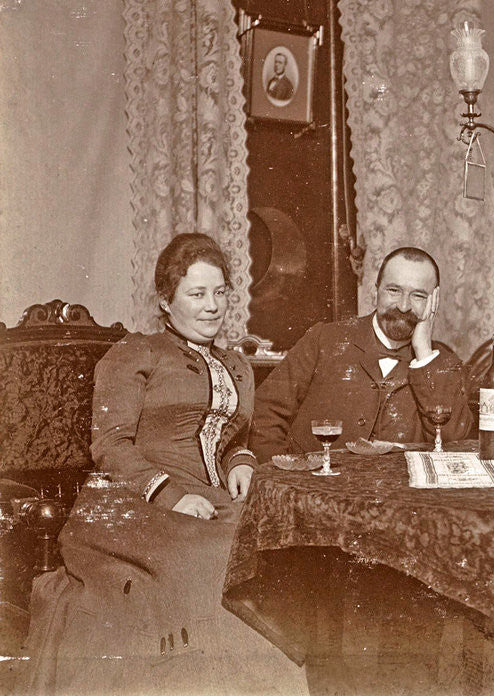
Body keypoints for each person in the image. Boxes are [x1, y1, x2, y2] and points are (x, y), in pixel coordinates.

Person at [22, 233, 306, 695]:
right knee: (215, 557)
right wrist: (173, 496)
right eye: (196, 294)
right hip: (132, 500)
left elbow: (235, 436)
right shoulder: (137, 353)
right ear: (165, 302)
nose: (212, 306)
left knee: (280, 548)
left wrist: (242, 462)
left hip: (213, 499)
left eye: (220, 293)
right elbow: (111, 445)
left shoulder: (237, 365)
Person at [251, 246, 473, 459]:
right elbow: (265, 413)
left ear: (434, 301)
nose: (404, 306)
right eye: (394, 291)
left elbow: (453, 445)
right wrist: (282, 478)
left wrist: (423, 352)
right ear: (375, 290)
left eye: (418, 296)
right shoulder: (324, 340)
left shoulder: (442, 363)